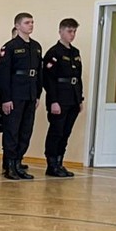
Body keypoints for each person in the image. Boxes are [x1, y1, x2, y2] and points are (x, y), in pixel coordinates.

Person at [0, 12, 43, 180]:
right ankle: (9, 165)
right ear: (17, 25)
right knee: (12, 131)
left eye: (32, 22)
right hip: (15, 95)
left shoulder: (36, 46)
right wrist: (5, 98)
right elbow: (2, 74)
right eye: (27, 22)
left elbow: (39, 73)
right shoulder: (10, 47)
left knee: (25, 131)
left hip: (30, 94)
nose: (31, 25)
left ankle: (18, 163)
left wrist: (37, 94)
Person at [42, 18, 84, 177]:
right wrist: (53, 101)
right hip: (59, 98)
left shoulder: (75, 52)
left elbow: (77, 77)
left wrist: (80, 99)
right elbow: (48, 79)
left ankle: (59, 162)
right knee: (56, 132)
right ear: (60, 31)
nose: (72, 34)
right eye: (69, 31)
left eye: (74, 31)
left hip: (72, 98)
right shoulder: (54, 52)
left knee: (66, 132)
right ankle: (51, 164)